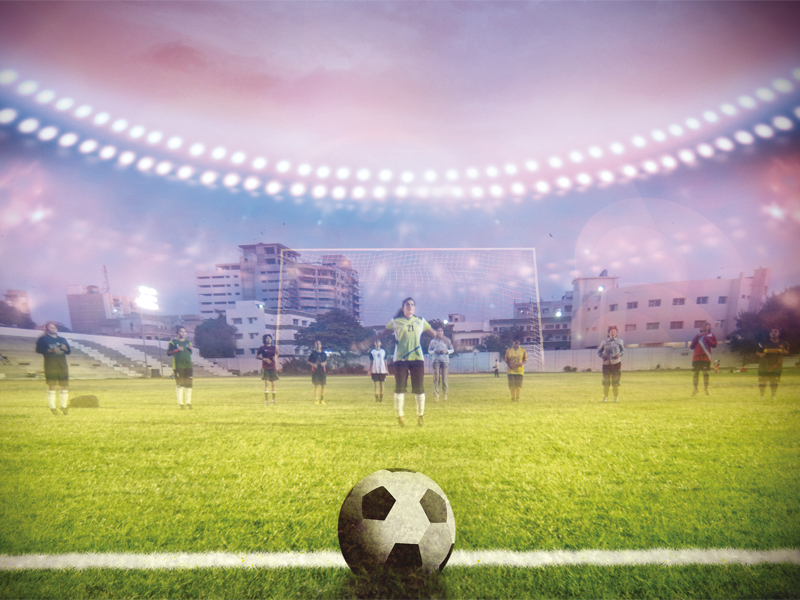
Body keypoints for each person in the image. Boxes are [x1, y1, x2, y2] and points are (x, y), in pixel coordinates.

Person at [385, 297, 436, 426]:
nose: (410, 306)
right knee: (400, 388)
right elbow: (385, 333)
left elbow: (434, 334)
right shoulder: (395, 322)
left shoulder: (420, 321)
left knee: (419, 388)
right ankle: (399, 416)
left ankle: (420, 415)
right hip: (400, 359)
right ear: (403, 308)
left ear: (414, 307)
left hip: (417, 358)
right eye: (407, 304)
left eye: (412, 304)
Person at [35, 322, 71, 415]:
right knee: (52, 386)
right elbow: (38, 350)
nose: (53, 329)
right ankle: (53, 407)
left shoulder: (62, 339)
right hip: (50, 365)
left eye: (54, 327)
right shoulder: (43, 339)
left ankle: (63, 406)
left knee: (64, 386)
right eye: (51, 327)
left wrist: (65, 348)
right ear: (47, 329)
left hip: (62, 365)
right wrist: (51, 350)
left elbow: (69, 351)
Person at [756, 327, 789, 400]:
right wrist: (760, 354)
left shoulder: (784, 343)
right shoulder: (763, 343)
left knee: (774, 381)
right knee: (762, 381)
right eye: (771, 331)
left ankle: (773, 396)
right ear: (769, 333)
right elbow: (758, 352)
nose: (773, 333)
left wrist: (784, 352)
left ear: (779, 333)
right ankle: (761, 396)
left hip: (776, 366)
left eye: (775, 331)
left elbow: (787, 351)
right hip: (764, 365)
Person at [167, 326, 193, 409]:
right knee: (180, 384)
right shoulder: (173, 342)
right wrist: (176, 350)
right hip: (178, 366)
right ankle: (180, 403)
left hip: (188, 365)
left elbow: (189, 353)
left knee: (188, 384)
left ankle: (188, 402)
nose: (183, 333)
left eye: (185, 332)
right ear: (177, 333)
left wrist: (191, 349)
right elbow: (168, 353)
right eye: (181, 331)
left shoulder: (188, 342)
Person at [597, 326, 624, 402]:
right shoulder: (604, 342)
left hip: (616, 364)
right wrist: (603, 356)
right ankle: (605, 397)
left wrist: (619, 355)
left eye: (614, 332)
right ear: (608, 333)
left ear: (617, 333)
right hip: (606, 365)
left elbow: (622, 351)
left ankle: (616, 397)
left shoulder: (620, 342)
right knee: (606, 381)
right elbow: (599, 352)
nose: (613, 333)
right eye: (611, 332)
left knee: (615, 381)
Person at [690, 321, 717, 396]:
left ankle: (706, 389)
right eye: (702, 326)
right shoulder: (697, 336)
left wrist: (706, 337)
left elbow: (714, 345)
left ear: (709, 328)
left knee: (705, 373)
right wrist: (697, 337)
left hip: (706, 357)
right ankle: (695, 389)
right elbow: (691, 346)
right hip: (696, 357)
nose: (704, 327)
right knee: (695, 373)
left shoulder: (711, 335)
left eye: (706, 326)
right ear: (700, 328)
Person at [428, 327, 454, 402]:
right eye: (438, 331)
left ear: (443, 332)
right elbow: (429, 350)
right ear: (436, 332)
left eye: (441, 331)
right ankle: (436, 396)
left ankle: (445, 396)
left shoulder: (447, 341)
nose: (440, 332)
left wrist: (446, 352)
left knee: (445, 379)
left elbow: (452, 349)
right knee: (436, 379)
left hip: (445, 361)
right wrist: (434, 352)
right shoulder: (433, 341)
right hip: (436, 360)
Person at [257, 334, 279, 405]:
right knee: (266, 384)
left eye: (270, 338)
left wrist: (275, 357)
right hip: (265, 368)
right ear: (264, 340)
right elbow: (257, 356)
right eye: (267, 338)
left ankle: (274, 399)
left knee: (273, 384)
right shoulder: (262, 348)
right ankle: (266, 401)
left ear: (271, 339)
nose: (268, 339)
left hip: (273, 368)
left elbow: (277, 354)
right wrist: (264, 359)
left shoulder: (274, 347)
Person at [504, 337, 528, 402]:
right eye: (515, 341)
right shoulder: (508, 350)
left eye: (518, 341)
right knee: (511, 386)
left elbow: (525, 359)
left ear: (519, 342)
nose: (516, 342)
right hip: (511, 371)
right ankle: (512, 398)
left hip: (519, 371)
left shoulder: (522, 350)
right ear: (513, 342)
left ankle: (517, 398)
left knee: (518, 385)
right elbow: (506, 360)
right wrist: (509, 365)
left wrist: (522, 363)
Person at [308, 340, 327, 404]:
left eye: (319, 343)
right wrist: (313, 364)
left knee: (323, 385)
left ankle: (322, 399)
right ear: (315, 345)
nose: (318, 345)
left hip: (322, 371)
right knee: (316, 385)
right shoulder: (313, 353)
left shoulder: (323, 354)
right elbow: (308, 361)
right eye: (316, 344)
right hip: (315, 371)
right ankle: (316, 400)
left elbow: (326, 361)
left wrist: (324, 363)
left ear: (321, 345)